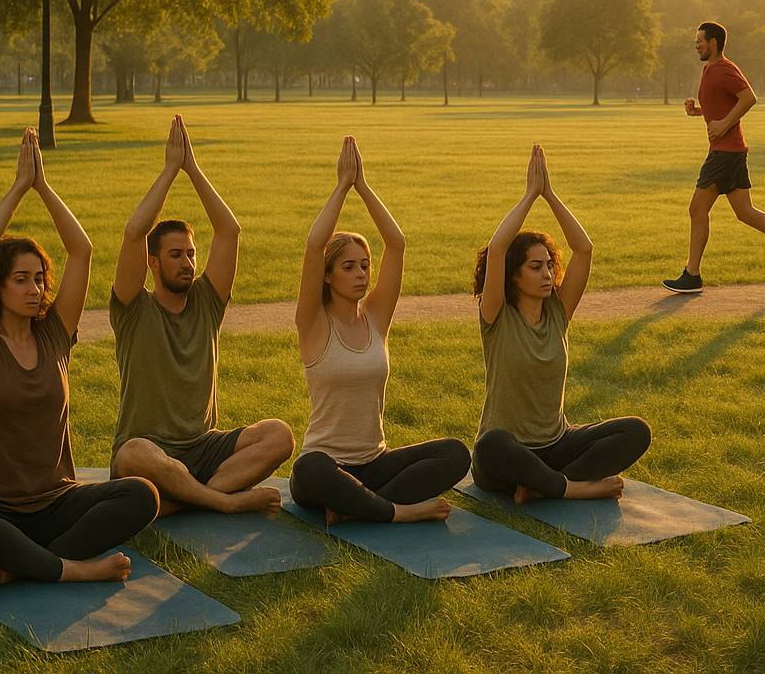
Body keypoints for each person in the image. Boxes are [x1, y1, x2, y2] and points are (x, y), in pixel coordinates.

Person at [0, 129, 159, 591]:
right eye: (21, 280)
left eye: (40, 279)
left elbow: (82, 251)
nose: (35, 289)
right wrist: (18, 188)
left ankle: (17, 568)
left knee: (141, 495)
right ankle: (73, 568)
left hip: (55, 504)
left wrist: (42, 185)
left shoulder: (54, 335)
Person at [110, 116, 293, 514]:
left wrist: (192, 168)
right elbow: (133, 231)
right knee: (131, 454)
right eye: (176, 255)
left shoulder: (208, 302)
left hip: (204, 447)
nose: (188, 262)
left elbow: (229, 230)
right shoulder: (132, 307)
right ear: (153, 263)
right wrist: (168, 171)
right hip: (152, 452)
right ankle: (220, 502)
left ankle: (184, 500)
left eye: (191, 253)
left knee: (279, 435)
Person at [288, 137, 470, 524]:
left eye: (365, 265)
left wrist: (364, 186)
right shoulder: (314, 323)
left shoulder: (375, 317)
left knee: (456, 454)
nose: (361, 274)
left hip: (375, 462)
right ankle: (396, 512)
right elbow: (313, 246)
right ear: (328, 275)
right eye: (349, 266)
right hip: (325, 466)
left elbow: (397, 243)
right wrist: (341, 187)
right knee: (309, 471)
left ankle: (355, 507)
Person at [472, 145, 650, 504]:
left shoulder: (558, 311)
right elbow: (496, 248)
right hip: (507, 454)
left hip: (555, 445)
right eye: (535, 267)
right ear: (514, 276)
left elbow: (584, 249)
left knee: (635, 431)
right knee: (491, 444)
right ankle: (571, 488)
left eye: (549, 265)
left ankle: (541, 486)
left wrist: (549, 195)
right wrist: (528, 196)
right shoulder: (497, 316)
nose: (547, 274)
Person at [662, 21, 765, 293]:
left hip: (725, 152)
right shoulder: (708, 70)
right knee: (745, 212)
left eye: (700, 40)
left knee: (697, 210)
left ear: (713, 43)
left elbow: (749, 97)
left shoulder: (724, 68)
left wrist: (722, 125)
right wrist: (698, 111)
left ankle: (692, 275)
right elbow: (722, 105)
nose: (696, 45)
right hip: (728, 151)